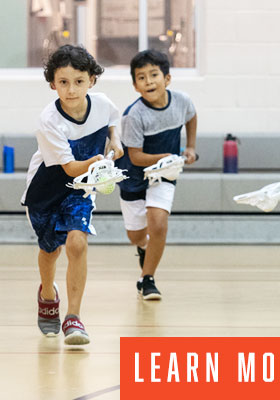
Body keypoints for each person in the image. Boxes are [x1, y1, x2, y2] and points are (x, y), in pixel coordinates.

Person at [22, 45, 123, 345]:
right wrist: (94, 162)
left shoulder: (102, 103)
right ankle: (47, 293)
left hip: (80, 191)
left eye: (79, 81)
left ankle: (74, 318)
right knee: (51, 251)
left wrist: (114, 141)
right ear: (52, 83)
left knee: (77, 243)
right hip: (46, 189)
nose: (71, 89)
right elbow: (69, 168)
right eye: (63, 82)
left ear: (92, 80)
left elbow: (112, 122)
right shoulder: (49, 120)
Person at [115, 49, 197, 300]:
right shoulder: (133, 115)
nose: (149, 81)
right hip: (134, 175)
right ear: (135, 85)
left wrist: (190, 146)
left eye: (154, 75)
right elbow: (136, 156)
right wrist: (165, 156)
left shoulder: (182, 101)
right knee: (136, 235)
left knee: (158, 224)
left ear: (167, 79)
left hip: (164, 174)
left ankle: (147, 278)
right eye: (142, 77)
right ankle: (142, 247)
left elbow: (191, 117)